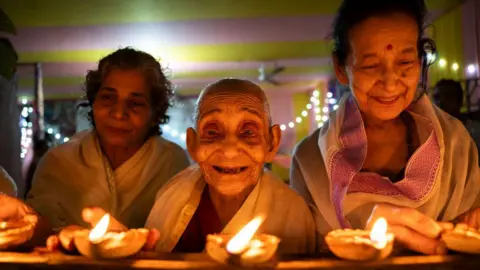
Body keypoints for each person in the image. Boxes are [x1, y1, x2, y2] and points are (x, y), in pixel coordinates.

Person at [290, 0, 480, 255]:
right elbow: (301, 249)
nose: (390, 84)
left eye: (405, 63)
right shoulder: (309, 159)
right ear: (341, 68)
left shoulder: (455, 143)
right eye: (370, 66)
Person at [143, 78, 316, 254]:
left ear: (272, 143)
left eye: (248, 132)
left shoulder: (293, 212)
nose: (229, 151)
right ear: (193, 144)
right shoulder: (171, 196)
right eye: (212, 132)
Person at [25, 48, 190, 231]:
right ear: (93, 102)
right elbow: (35, 232)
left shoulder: (172, 163)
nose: (119, 113)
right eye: (108, 98)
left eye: (135, 103)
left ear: (154, 114)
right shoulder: (58, 162)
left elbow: (179, 238)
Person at [432, 79, 480, 153]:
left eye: (448, 96)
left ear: (459, 101)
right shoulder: (430, 134)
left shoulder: (474, 132)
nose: (441, 101)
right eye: (437, 97)